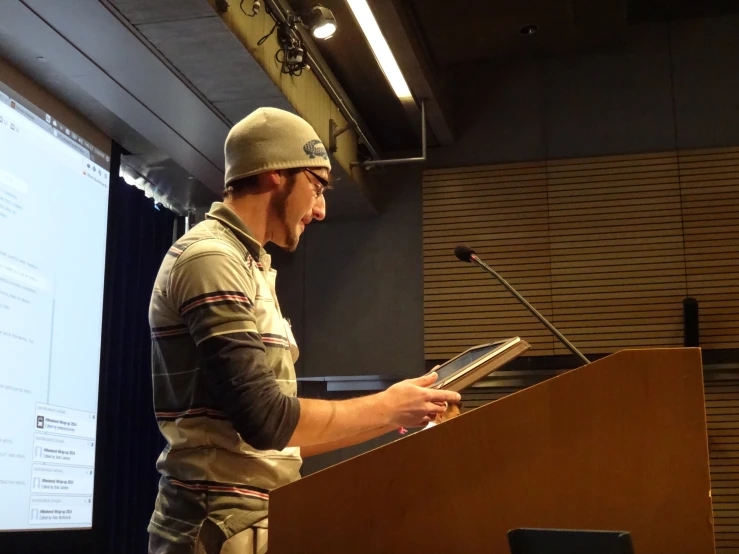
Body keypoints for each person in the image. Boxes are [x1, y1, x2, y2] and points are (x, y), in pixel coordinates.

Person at [147, 107, 460, 554]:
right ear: (275, 174)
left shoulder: (247, 264)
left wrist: (399, 412)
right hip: (216, 527)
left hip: (247, 522)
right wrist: (387, 404)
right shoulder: (211, 259)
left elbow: (277, 445)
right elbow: (267, 420)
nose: (321, 208)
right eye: (315, 185)